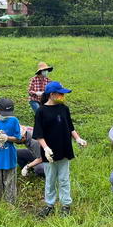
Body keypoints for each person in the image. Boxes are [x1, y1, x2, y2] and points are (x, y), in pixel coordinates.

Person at [33, 81, 87, 217]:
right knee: (50, 179)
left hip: (64, 149)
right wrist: (45, 148)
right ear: (52, 94)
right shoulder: (41, 111)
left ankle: (65, 205)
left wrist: (78, 138)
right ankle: (49, 204)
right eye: (61, 94)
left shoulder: (64, 108)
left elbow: (70, 127)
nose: (63, 96)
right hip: (49, 153)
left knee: (64, 179)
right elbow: (38, 134)